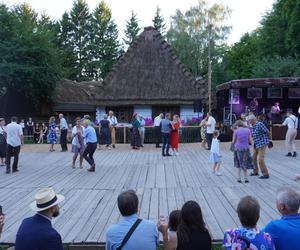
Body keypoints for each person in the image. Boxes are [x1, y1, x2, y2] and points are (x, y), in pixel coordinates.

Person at [248, 114, 271, 179]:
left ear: (253, 120)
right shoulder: (251, 126)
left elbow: (267, 132)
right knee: (253, 158)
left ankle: (265, 174)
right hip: (256, 144)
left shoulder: (260, 124)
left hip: (262, 143)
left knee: (260, 159)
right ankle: (255, 172)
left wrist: (270, 140)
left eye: (249, 120)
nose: (248, 122)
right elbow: (252, 135)